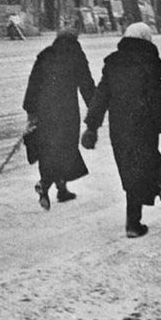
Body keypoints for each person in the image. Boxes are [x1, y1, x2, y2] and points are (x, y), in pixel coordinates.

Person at [81, 22, 161, 238]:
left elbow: (101, 96)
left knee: (131, 171)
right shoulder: (150, 62)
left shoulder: (113, 63)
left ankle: (135, 219)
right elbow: (157, 100)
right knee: (144, 167)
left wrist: (91, 127)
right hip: (144, 126)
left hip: (120, 128)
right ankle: (137, 218)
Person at [23, 27, 96, 211]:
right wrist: (95, 107)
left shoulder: (45, 54)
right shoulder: (76, 55)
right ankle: (46, 183)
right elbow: (86, 83)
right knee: (66, 148)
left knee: (48, 148)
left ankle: (61, 189)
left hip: (44, 110)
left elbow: (33, 83)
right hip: (66, 111)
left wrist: (31, 110)